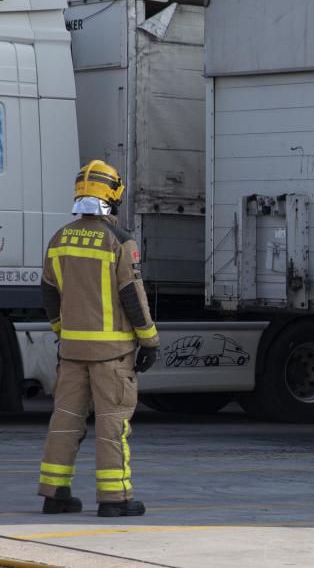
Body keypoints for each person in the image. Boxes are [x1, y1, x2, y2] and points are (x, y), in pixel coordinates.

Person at [37, 160, 159, 517]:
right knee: (112, 424)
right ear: (112, 196)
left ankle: (54, 494)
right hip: (112, 354)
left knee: (64, 421)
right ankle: (114, 500)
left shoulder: (60, 238)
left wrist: (62, 330)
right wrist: (149, 341)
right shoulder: (119, 241)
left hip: (72, 351)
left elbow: (47, 292)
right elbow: (132, 296)